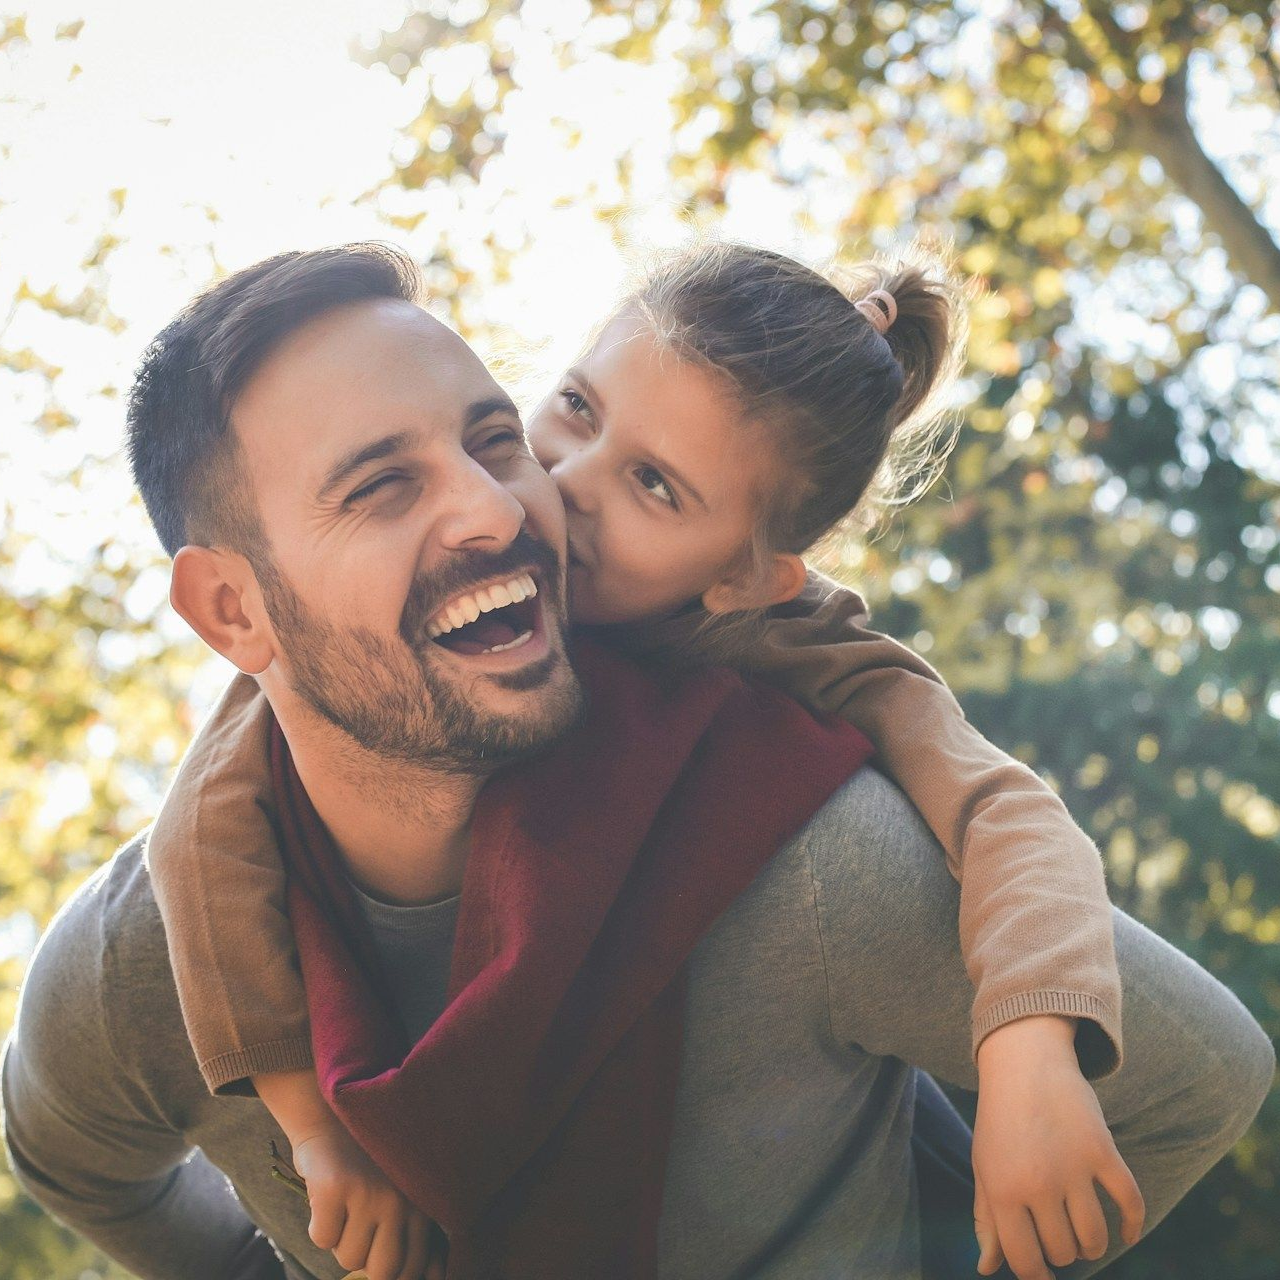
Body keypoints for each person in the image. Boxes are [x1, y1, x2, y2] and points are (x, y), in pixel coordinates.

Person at [1, 244, 1272, 1280]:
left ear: (745, 573)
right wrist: (296, 1148)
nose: (523, 500)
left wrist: (1027, 1046)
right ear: (233, 615)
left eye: (489, 439)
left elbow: (1137, 991)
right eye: (384, 484)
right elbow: (73, 1141)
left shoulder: (806, 822)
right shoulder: (137, 957)